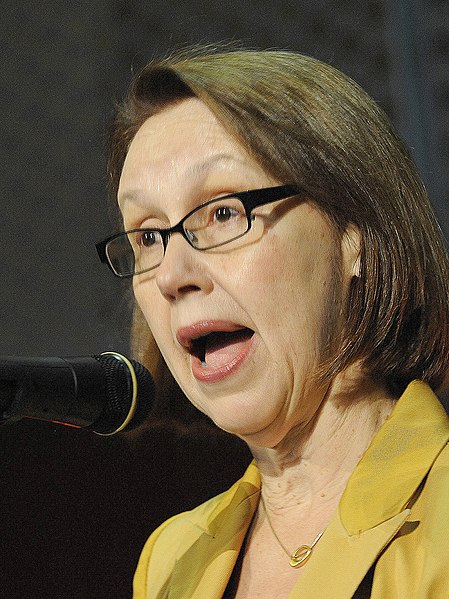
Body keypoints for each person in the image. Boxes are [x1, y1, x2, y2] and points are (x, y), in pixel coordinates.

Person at [96, 47, 449, 598]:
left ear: (354, 236)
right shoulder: (171, 560)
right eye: (147, 236)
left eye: (223, 212)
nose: (171, 274)